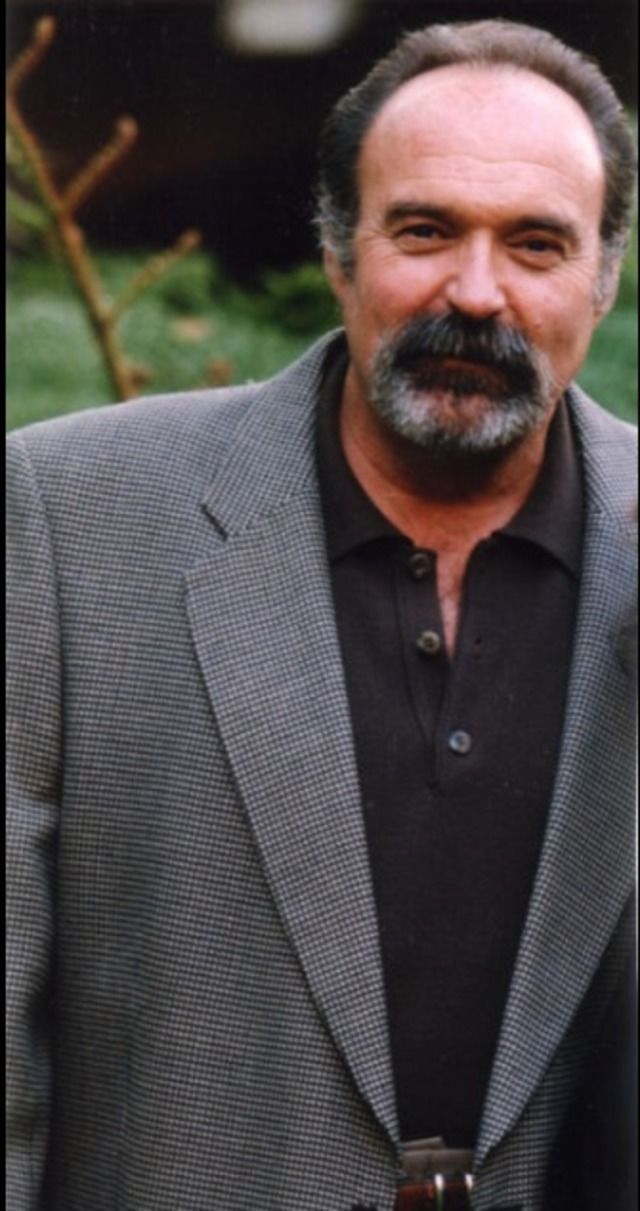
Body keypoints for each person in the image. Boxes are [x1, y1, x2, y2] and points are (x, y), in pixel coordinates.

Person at [6, 18, 637, 1211]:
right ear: (339, 251)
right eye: (425, 230)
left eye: (535, 244)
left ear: (599, 282)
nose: (475, 291)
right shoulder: (69, 516)